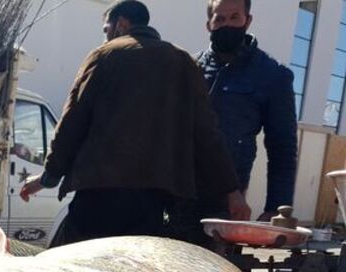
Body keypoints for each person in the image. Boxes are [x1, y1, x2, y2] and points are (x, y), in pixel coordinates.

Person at [20, 0, 250, 245]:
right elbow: (207, 134)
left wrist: (48, 178)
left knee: (73, 268)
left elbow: (71, 123)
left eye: (106, 30)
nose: (106, 37)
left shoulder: (105, 55)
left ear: (121, 24)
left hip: (98, 195)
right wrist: (232, 191)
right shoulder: (182, 62)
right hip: (152, 202)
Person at [199, 0, 297, 221]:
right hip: (180, 197)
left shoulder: (272, 75)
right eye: (220, 19)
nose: (226, 25)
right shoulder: (191, 68)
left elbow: (283, 148)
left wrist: (276, 208)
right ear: (209, 24)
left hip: (228, 203)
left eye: (235, 17)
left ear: (248, 20)